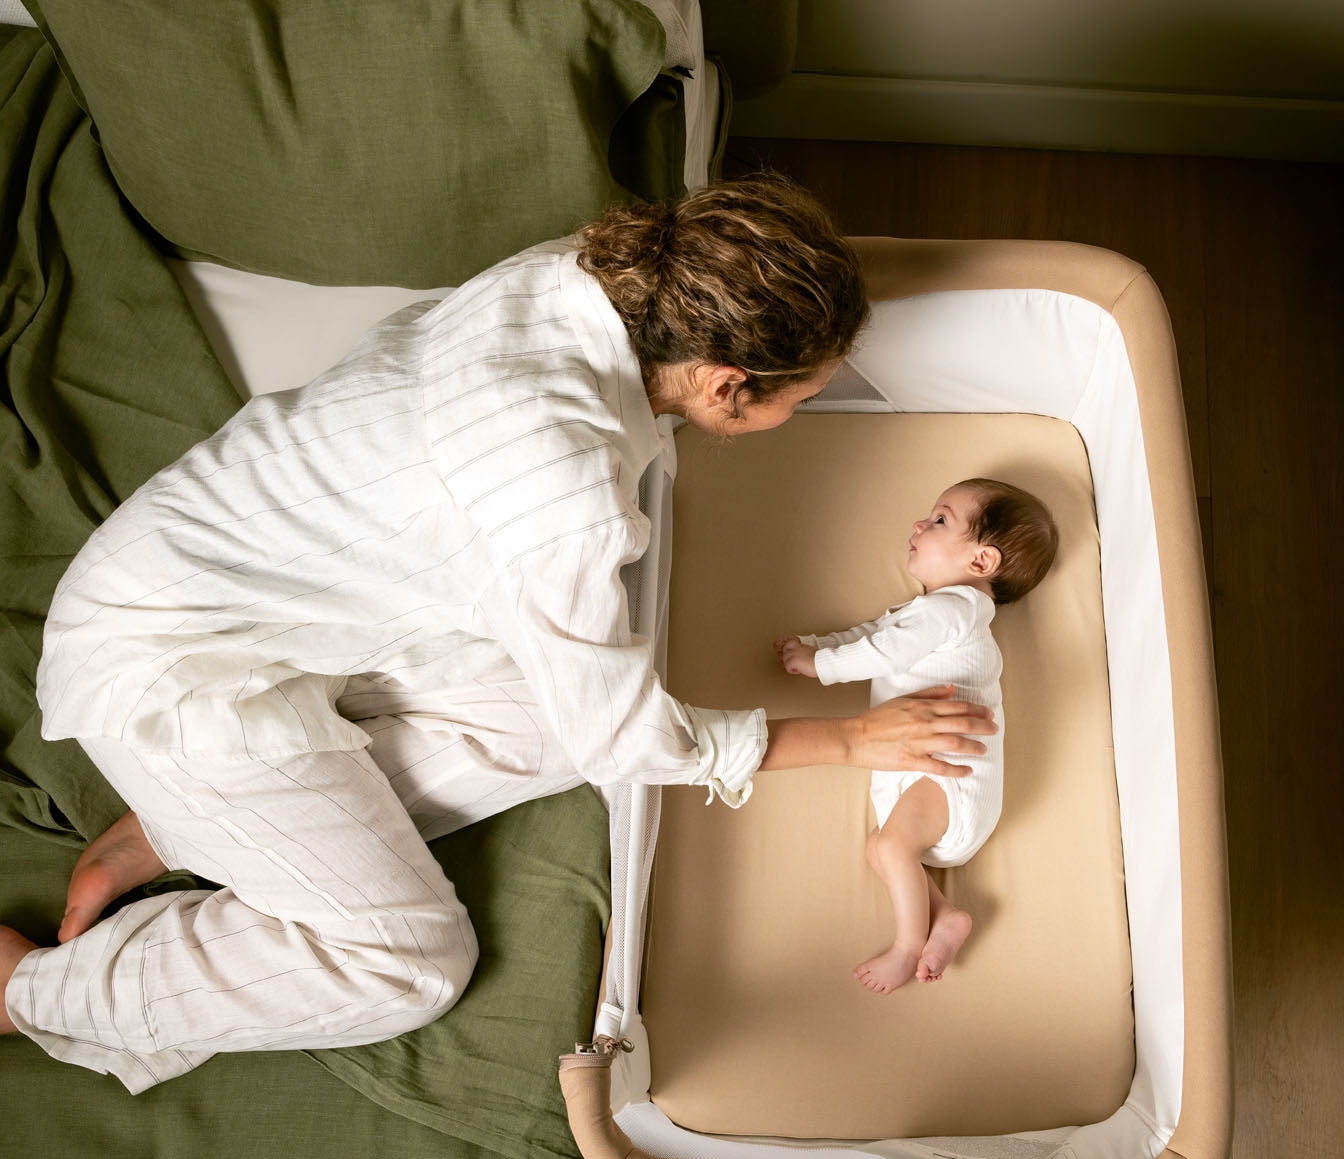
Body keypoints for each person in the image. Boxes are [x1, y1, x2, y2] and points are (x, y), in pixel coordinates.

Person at [0, 175, 997, 1091]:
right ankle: (34, 990)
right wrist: (854, 740)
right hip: (166, 664)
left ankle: (179, 824)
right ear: (725, 382)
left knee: (550, 718)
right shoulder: (564, 494)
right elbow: (629, 738)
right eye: (801, 397)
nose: (800, 410)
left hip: (276, 597)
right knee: (413, 961)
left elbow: (582, 708)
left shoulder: (581, 272)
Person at [775, 478, 1057, 994]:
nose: (918, 525)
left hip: (951, 775)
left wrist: (819, 664)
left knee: (892, 845)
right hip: (934, 773)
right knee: (881, 847)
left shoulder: (954, 611)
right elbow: (874, 635)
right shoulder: (934, 612)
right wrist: (815, 644)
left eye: (940, 520)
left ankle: (908, 946)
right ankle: (946, 916)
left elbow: (881, 654)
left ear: (980, 562)